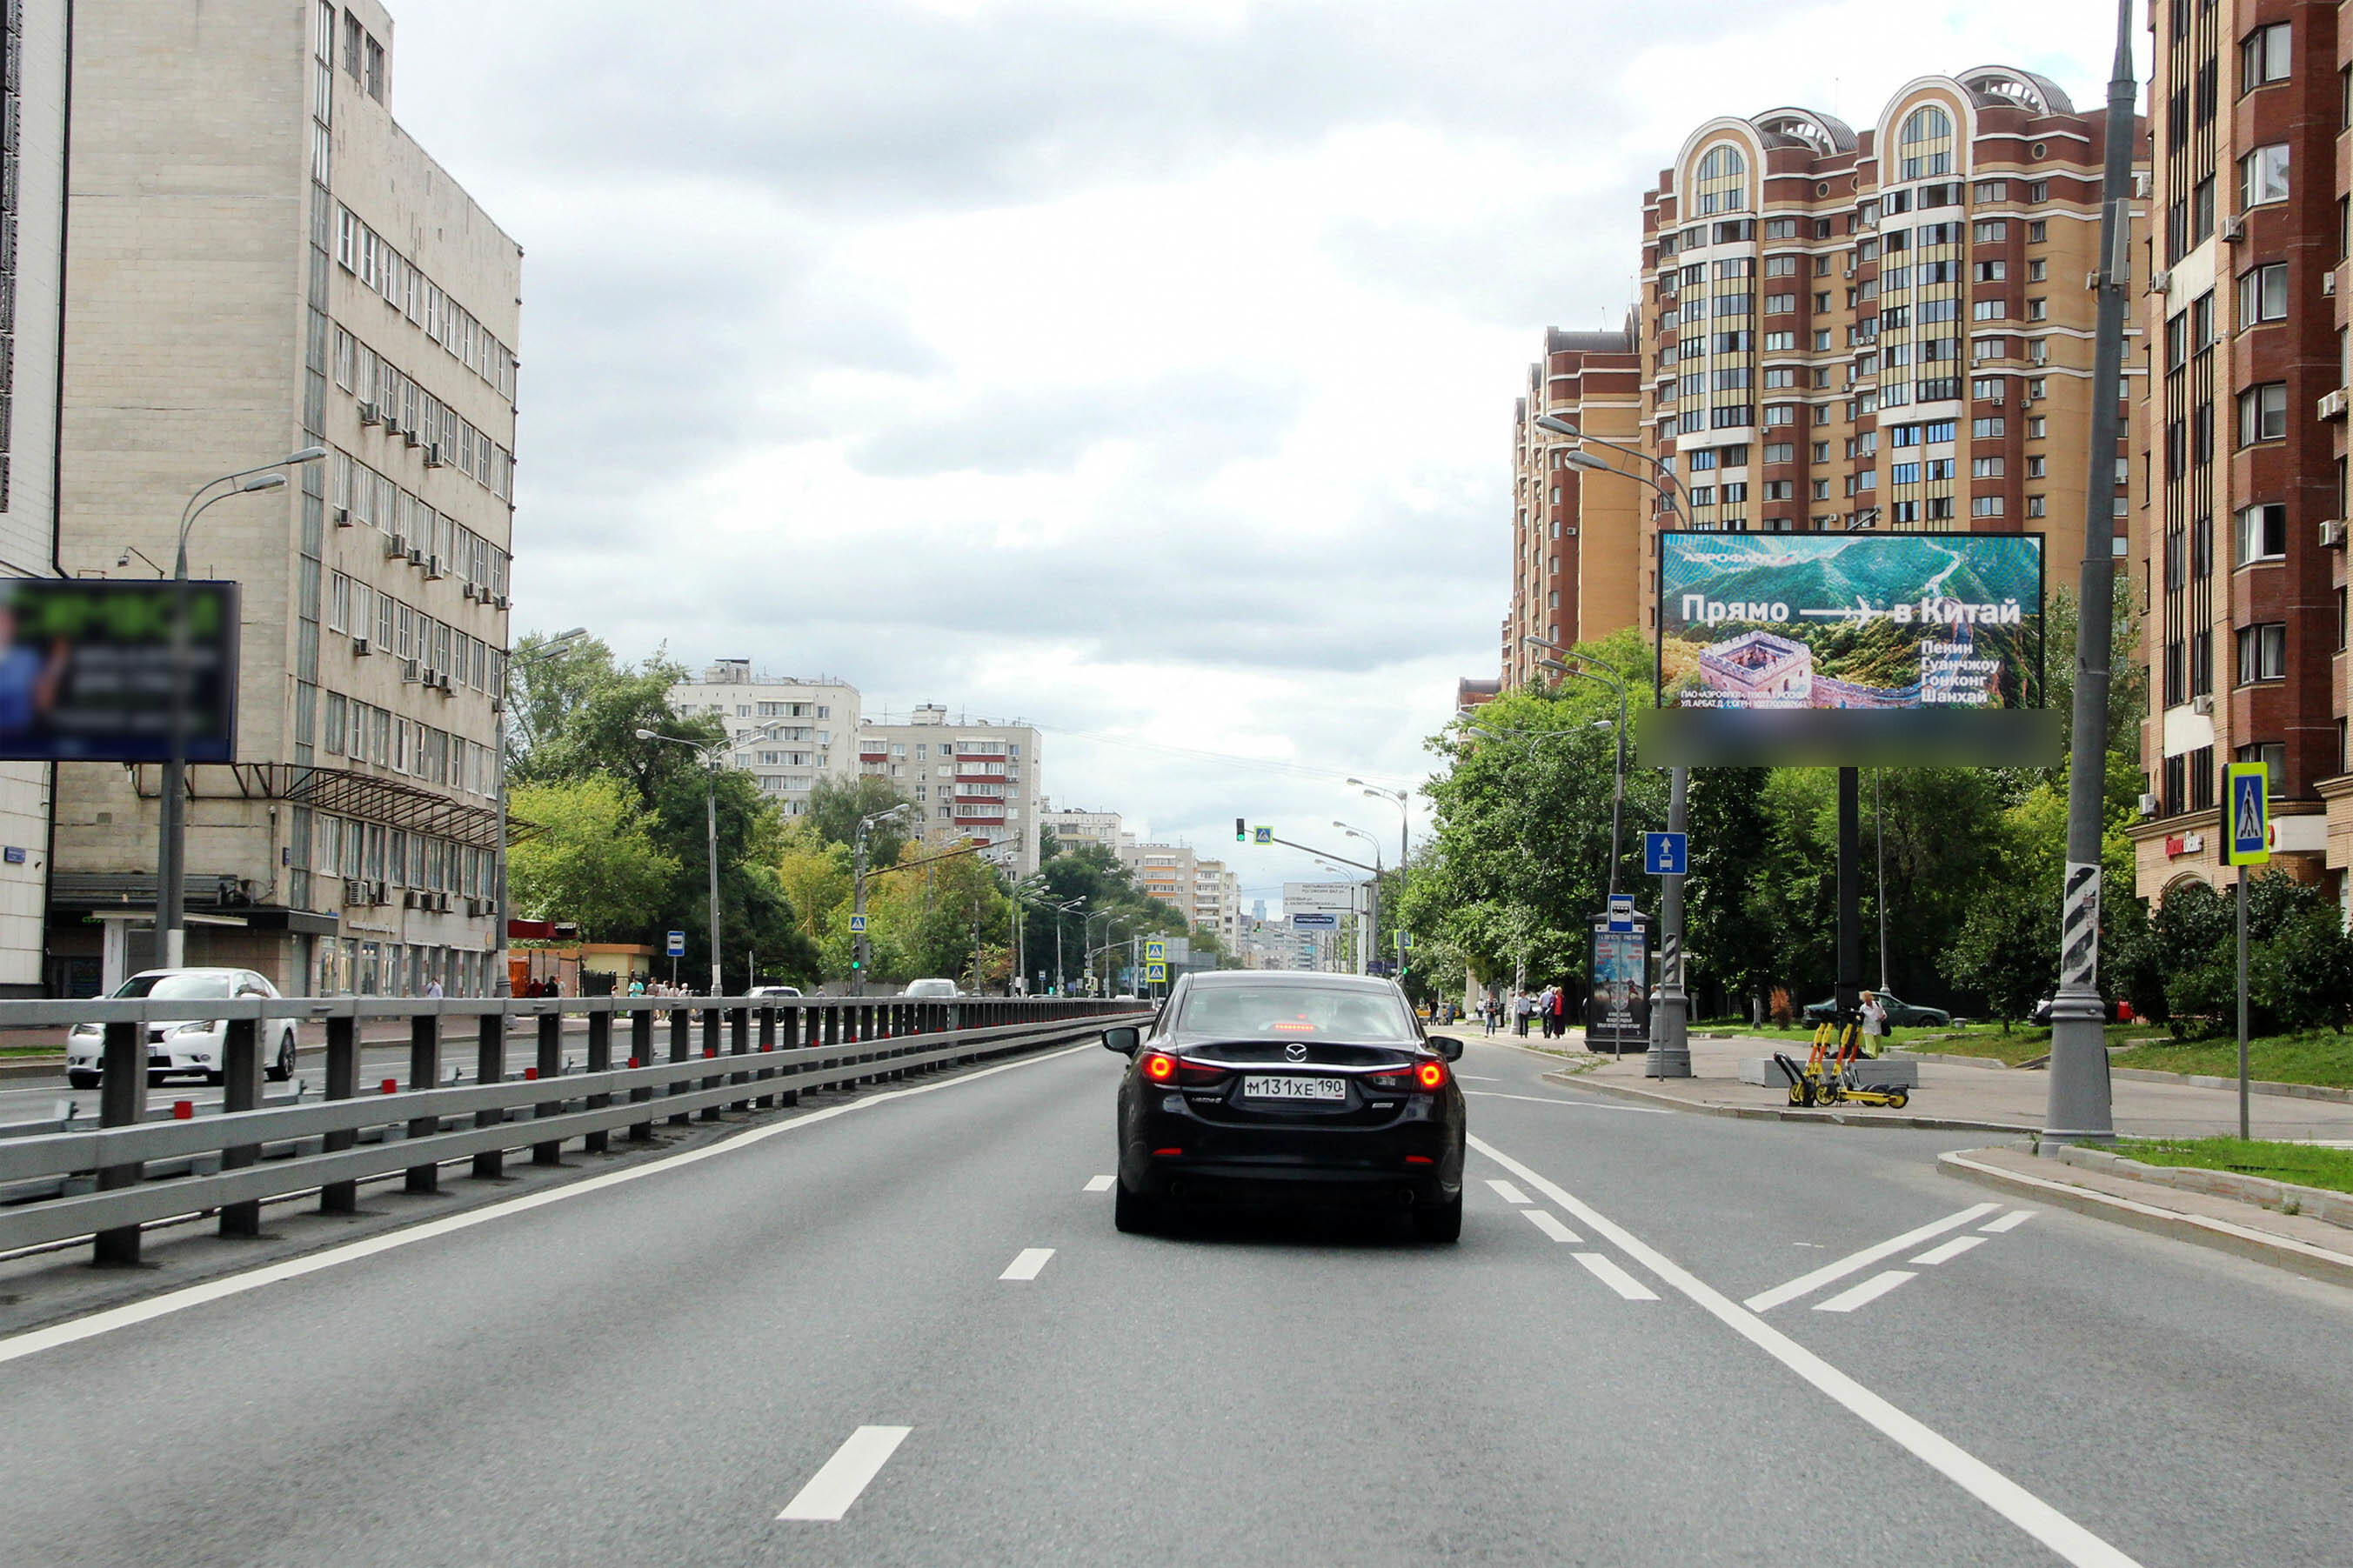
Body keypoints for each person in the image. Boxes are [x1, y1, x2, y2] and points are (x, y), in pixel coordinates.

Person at [1859, 991, 1888, 1056]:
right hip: (1868, 1029)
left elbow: (1883, 1012)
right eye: (1866, 1000)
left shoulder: (1877, 1004)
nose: (1868, 1002)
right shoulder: (1863, 1008)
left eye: (1869, 1000)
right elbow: (1859, 1017)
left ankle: (1875, 1060)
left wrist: (1883, 1016)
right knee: (1870, 1046)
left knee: (1876, 1047)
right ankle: (1870, 1057)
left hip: (1878, 1028)